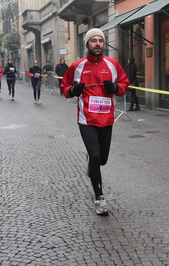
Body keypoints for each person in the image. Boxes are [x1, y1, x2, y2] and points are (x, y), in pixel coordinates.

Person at [61, 28, 129, 215]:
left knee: (102, 159)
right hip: (86, 119)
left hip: (107, 119)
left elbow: (124, 85)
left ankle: (93, 163)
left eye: (100, 40)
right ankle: (99, 197)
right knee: (96, 156)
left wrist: (115, 87)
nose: (98, 43)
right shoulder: (78, 66)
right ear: (87, 44)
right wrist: (73, 91)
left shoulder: (113, 64)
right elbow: (65, 86)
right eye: (94, 41)